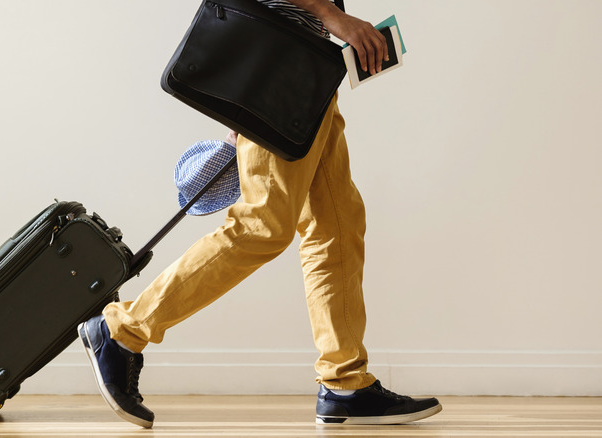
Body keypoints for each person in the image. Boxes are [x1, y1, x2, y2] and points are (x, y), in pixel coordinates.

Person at [78, 0, 441, 428]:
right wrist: (332, 15)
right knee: (261, 226)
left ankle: (345, 383)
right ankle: (121, 330)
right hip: (281, 71)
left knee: (337, 227)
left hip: (305, 71)